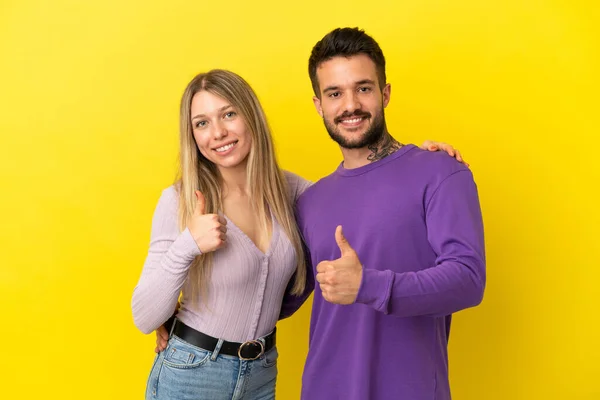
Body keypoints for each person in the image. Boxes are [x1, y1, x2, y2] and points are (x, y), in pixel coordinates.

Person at [134, 69, 465, 399]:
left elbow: (365, 205)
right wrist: (187, 246)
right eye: (201, 123)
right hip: (192, 371)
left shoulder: (295, 193)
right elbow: (145, 316)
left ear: (251, 116)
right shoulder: (180, 200)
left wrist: (422, 163)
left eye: (229, 114)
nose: (217, 133)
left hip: (260, 373)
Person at [293, 27, 486, 400]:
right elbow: (280, 296)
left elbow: (468, 279)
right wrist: (181, 318)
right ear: (319, 105)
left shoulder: (440, 172)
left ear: (385, 93)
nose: (350, 105)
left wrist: (368, 285)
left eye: (363, 88)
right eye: (335, 93)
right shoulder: (309, 200)